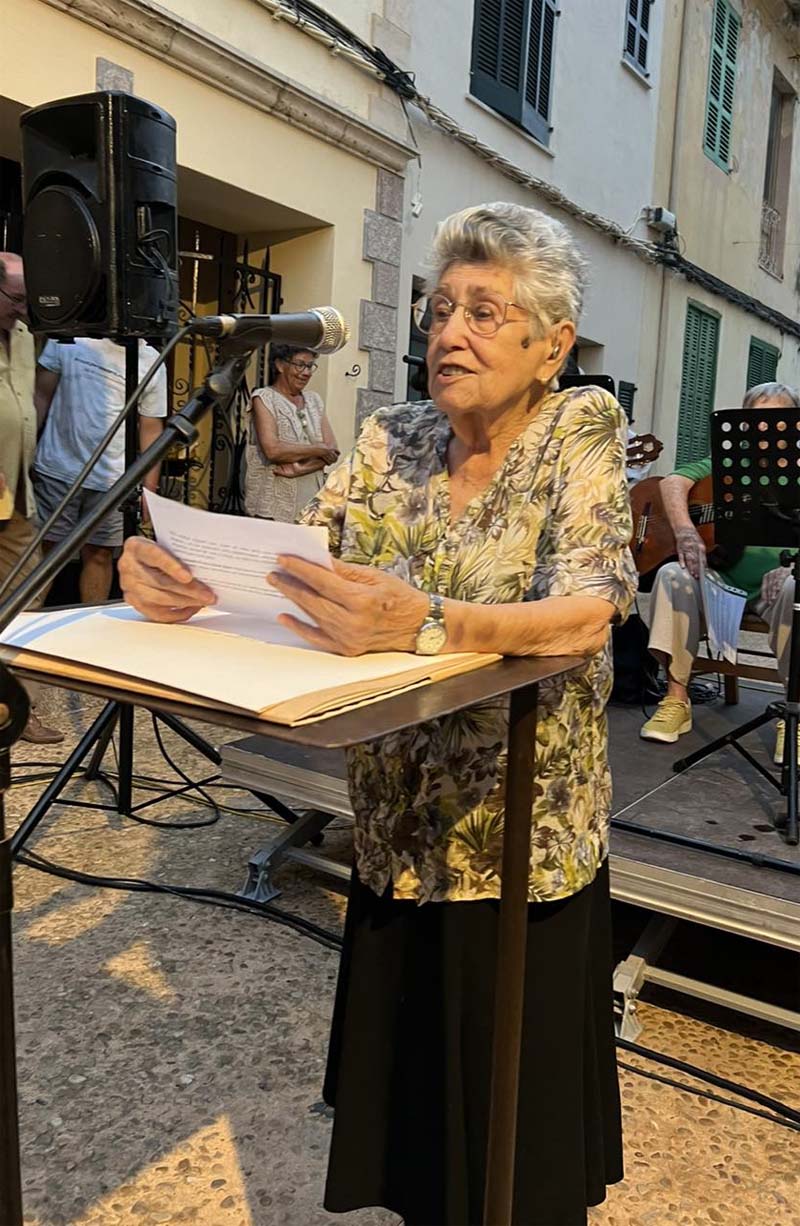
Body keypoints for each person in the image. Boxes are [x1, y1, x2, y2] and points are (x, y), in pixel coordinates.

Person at [118, 201, 638, 1225]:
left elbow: (588, 609)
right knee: (418, 1133)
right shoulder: (389, 436)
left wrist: (428, 620)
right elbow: (300, 564)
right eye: (439, 309)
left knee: (511, 1148)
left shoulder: (578, 427)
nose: (449, 332)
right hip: (397, 826)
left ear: (551, 346)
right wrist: (191, 580)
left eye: (484, 312)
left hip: (519, 840)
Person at [641, 381, 800, 757]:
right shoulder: (729, 462)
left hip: (779, 585)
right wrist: (685, 531)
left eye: (777, 420)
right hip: (721, 579)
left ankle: (795, 715)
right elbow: (673, 482)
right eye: (756, 420)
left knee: (798, 589)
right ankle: (676, 698)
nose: (765, 429)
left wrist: (794, 567)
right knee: (671, 575)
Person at [33, 336, 167, 604]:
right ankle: (22, 621)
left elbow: (151, 428)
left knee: (100, 555)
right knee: (46, 553)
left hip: (112, 479)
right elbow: (39, 397)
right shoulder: (69, 339)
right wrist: (23, 455)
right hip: (57, 468)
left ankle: (91, 621)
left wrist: (149, 489)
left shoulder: (150, 360)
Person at [0, 252, 63, 743]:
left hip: (17, 491)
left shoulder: (23, 336)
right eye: (16, 298)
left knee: (28, 594)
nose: (24, 309)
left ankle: (14, 708)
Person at [244, 343, 339, 521]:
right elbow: (273, 450)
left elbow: (333, 451)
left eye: (310, 366)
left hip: (311, 506)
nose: (306, 372)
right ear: (280, 365)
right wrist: (318, 449)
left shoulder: (314, 400)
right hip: (272, 507)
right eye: (300, 365)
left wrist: (299, 469)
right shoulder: (264, 398)